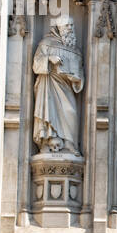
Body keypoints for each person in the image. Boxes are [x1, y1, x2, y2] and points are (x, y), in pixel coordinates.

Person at [31, 16, 83, 155]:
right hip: (49, 85)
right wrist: (49, 59)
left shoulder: (75, 50)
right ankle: (48, 142)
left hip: (66, 86)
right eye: (67, 26)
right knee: (50, 112)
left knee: (70, 112)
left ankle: (70, 144)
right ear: (59, 28)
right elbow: (36, 64)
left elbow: (80, 73)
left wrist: (76, 79)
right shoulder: (46, 43)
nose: (70, 29)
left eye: (72, 25)